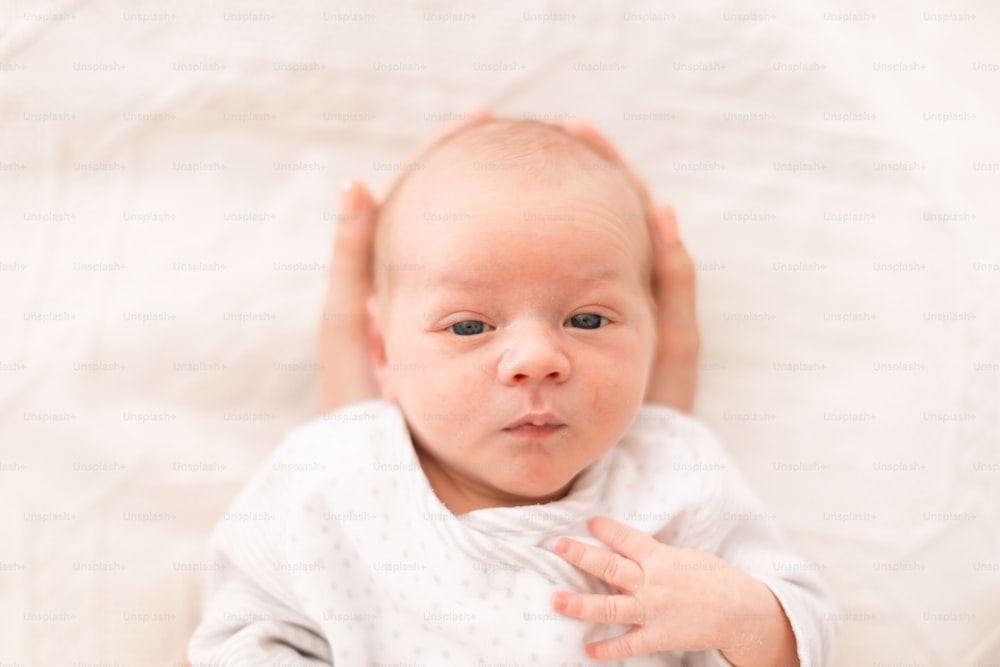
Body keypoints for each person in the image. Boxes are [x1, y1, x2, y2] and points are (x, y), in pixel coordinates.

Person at [189, 117, 836, 666]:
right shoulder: (330, 478)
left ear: (651, 333)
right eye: (468, 325)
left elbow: (805, 627)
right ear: (383, 350)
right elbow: (238, 630)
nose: (536, 359)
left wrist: (740, 614)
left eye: (587, 319)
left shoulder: (675, 470)